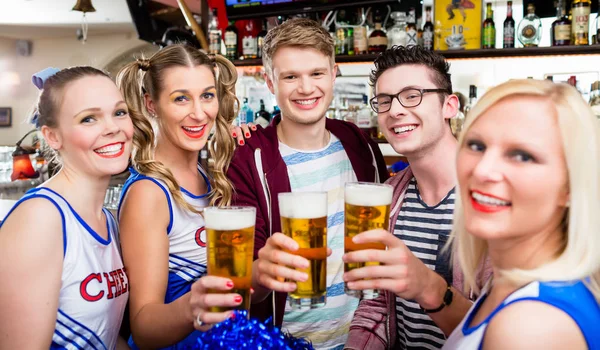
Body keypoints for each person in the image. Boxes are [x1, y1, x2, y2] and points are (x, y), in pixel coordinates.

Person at [227, 18, 388, 349]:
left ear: (333, 73)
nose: (305, 88)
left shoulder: (359, 143)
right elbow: (238, 282)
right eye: (290, 77)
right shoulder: (248, 159)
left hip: (364, 338)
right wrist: (262, 270)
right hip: (283, 342)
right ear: (270, 82)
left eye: (316, 73)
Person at [344, 46, 491, 350]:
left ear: (449, 105)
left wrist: (428, 287)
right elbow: (375, 308)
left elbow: (503, 329)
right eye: (385, 101)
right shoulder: (389, 198)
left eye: (412, 95)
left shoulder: (491, 198)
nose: (395, 110)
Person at [443, 79, 600, 349]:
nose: (482, 170)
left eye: (523, 156)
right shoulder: (516, 281)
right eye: (477, 146)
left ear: (571, 186)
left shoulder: (530, 327)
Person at [116, 44, 239, 349]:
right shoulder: (149, 193)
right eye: (181, 98)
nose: (199, 113)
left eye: (207, 96)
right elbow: (143, 328)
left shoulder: (209, 177)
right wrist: (192, 307)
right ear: (151, 104)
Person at [0, 66, 133, 349]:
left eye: (119, 112)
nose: (113, 127)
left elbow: (104, 337)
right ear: (52, 136)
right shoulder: (41, 219)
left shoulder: (108, 220)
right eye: (89, 119)